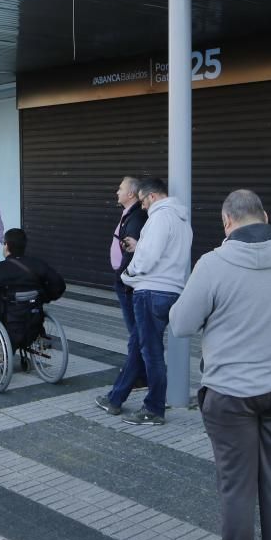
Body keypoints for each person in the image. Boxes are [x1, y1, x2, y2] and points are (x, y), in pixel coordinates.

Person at [170, 190, 271, 540]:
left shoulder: (213, 263)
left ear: (227, 223)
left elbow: (181, 324)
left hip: (229, 395)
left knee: (237, 490)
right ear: (265, 215)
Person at [95, 178, 192, 426]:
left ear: (151, 197)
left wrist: (129, 274)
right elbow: (165, 252)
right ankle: (115, 398)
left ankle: (154, 409)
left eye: (144, 203)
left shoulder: (160, 217)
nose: (144, 209)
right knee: (139, 346)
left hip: (151, 292)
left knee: (151, 353)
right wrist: (140, 246)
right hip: (171, 291)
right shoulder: (182, 221)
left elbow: (148, 260)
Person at [0, 228, 66, 327]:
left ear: (6, 246)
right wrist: (42, 298)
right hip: (32, 321)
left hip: (4, 323)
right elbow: (59, 286)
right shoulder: (38, 265)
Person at [110, 176, 148, 391]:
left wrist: (123, 276)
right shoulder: (130, 214)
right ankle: (141, 374)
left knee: (136, 332)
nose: (117, 191)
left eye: (120, 188)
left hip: (127, 282)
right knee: (136, 331)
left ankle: (136, 375)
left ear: (131, 194)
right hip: (125, 280)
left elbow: (131, 251)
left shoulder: (136, 217)